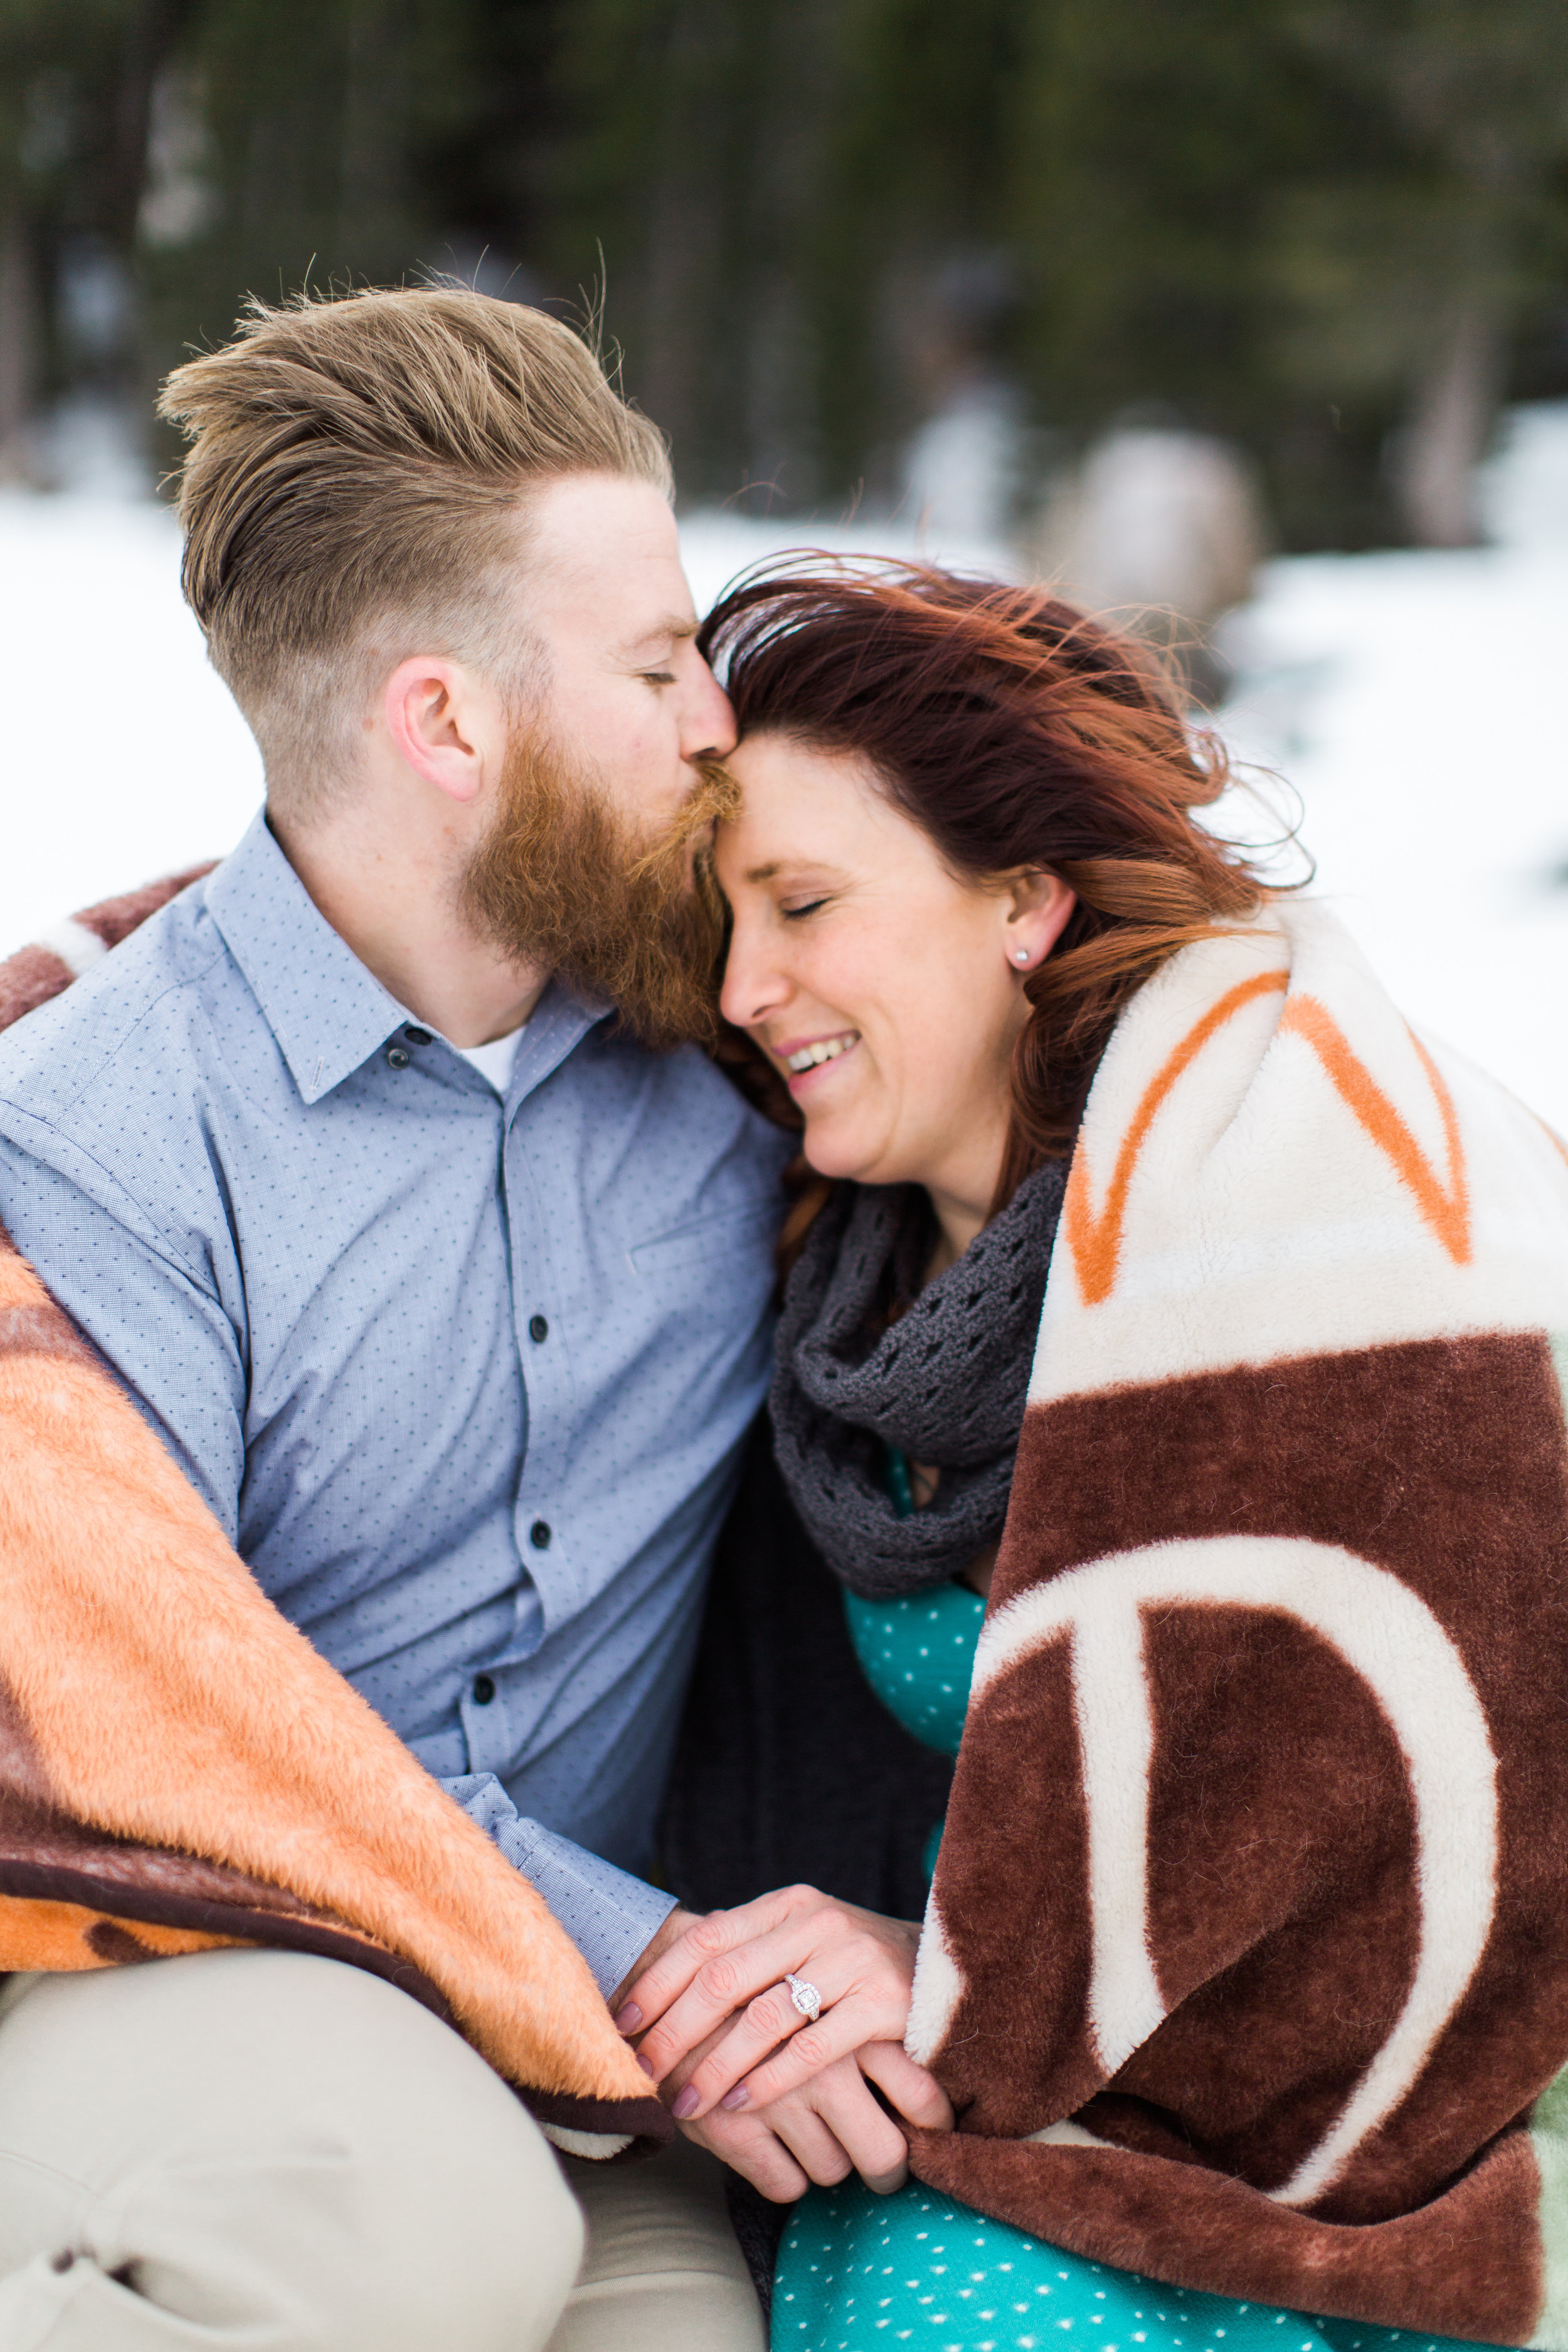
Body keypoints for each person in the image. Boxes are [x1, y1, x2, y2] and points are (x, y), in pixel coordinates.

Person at [0, 291, 941, 2352]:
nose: (719, 718)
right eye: (653, 662)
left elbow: (1064, 1005)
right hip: (170, 1987)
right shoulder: (100, 1153)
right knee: (420, 2241)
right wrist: (665, 1964)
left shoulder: (736, 1063)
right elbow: (192, 1761)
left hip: (586, 2079)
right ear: (447, 726)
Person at [626, 561, 1568, 2350]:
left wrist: (949, 1972)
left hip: (1394, 2129)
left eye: (804, 903)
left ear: (1023, 898)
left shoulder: (1300, 1222)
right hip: (1002, 2084)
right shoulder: (848, 1282)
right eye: (721, 918)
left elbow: (1394, 1811)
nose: (746, 984)